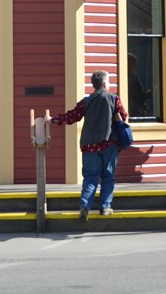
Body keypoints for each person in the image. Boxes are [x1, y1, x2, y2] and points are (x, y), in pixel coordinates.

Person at [51, 70, 127, 220]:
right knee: (108, 176)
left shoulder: (86, 101)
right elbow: (123, 116)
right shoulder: (113, 98)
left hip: (89, 146)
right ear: (105, 84)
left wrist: (52, 119)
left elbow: (71, 116)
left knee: (90, 177)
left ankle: (85, 206)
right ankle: (105, 207)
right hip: (109, 143)